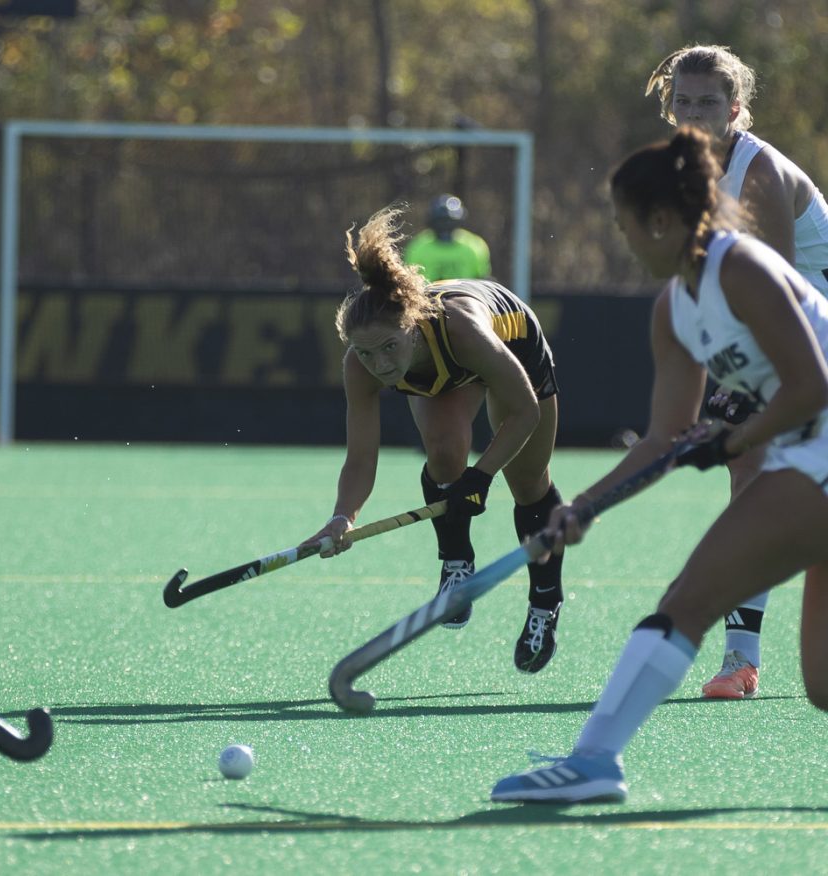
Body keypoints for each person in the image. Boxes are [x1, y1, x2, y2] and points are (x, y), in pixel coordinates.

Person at [491, 126, 828, 804]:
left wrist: (734, 438)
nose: (621, 238)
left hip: (817, 445)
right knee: (822, 684)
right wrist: (579, 507)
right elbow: (662, 438)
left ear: (664, 220)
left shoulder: (741, 267)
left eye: (624, 224)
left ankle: (592, 763)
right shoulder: (674, 308)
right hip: (808, 449)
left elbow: (811, 386)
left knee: (689, 600)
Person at [302, 205, 565, 673]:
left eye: (389, 347)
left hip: (514, 349)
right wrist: (342, 518)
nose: (381, 364)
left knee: (526, 483)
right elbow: (361, 460)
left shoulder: (460, 331)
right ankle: (456, 563)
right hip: (442, 368)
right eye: (367, 353)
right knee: (444, 453)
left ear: (412, 329)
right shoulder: (360, 365)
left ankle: (545, 601)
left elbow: (523, 411)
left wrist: (481, 476)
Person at [646, 44, 828, 699]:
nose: (693, 114)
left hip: (810, 339)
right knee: (753, 476)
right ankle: (740, 660)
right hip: (784, 343)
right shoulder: (683, 174)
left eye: (708, 103)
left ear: (737, 109)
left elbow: (770, 289)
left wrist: (729, 391)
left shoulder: (757, 173)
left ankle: (738, 657)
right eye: (683, 102)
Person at [403, 194, 492, 282]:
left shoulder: (474, 246)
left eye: (449, 222)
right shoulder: (418, 246)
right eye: (441, 221)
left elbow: (482, 279)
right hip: (425, 295)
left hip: (466, 294)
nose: (445, 226)